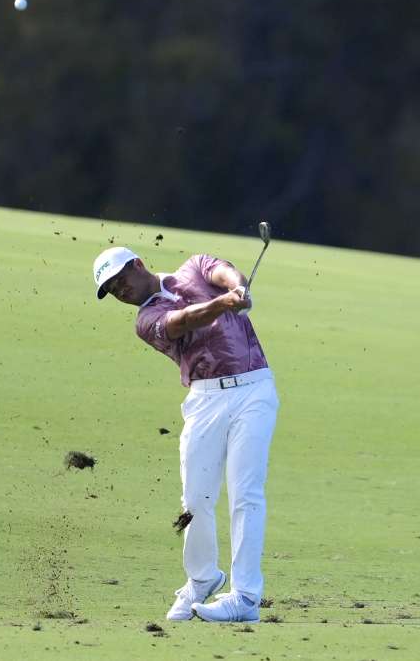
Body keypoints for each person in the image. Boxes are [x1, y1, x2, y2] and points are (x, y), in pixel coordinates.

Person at [92, 245, 279, 623]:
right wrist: (225, 303)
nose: (120, 292)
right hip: (205, 398)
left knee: (246, 494)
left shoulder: (193, 268)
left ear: (138, 265)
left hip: (253, 388)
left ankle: (244, 597)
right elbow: (182, 321)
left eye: (120, 281)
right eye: (111, 290)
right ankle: (203, 578)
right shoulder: (146, 321)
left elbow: (224, 271)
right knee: (195, 500)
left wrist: (238, 289)